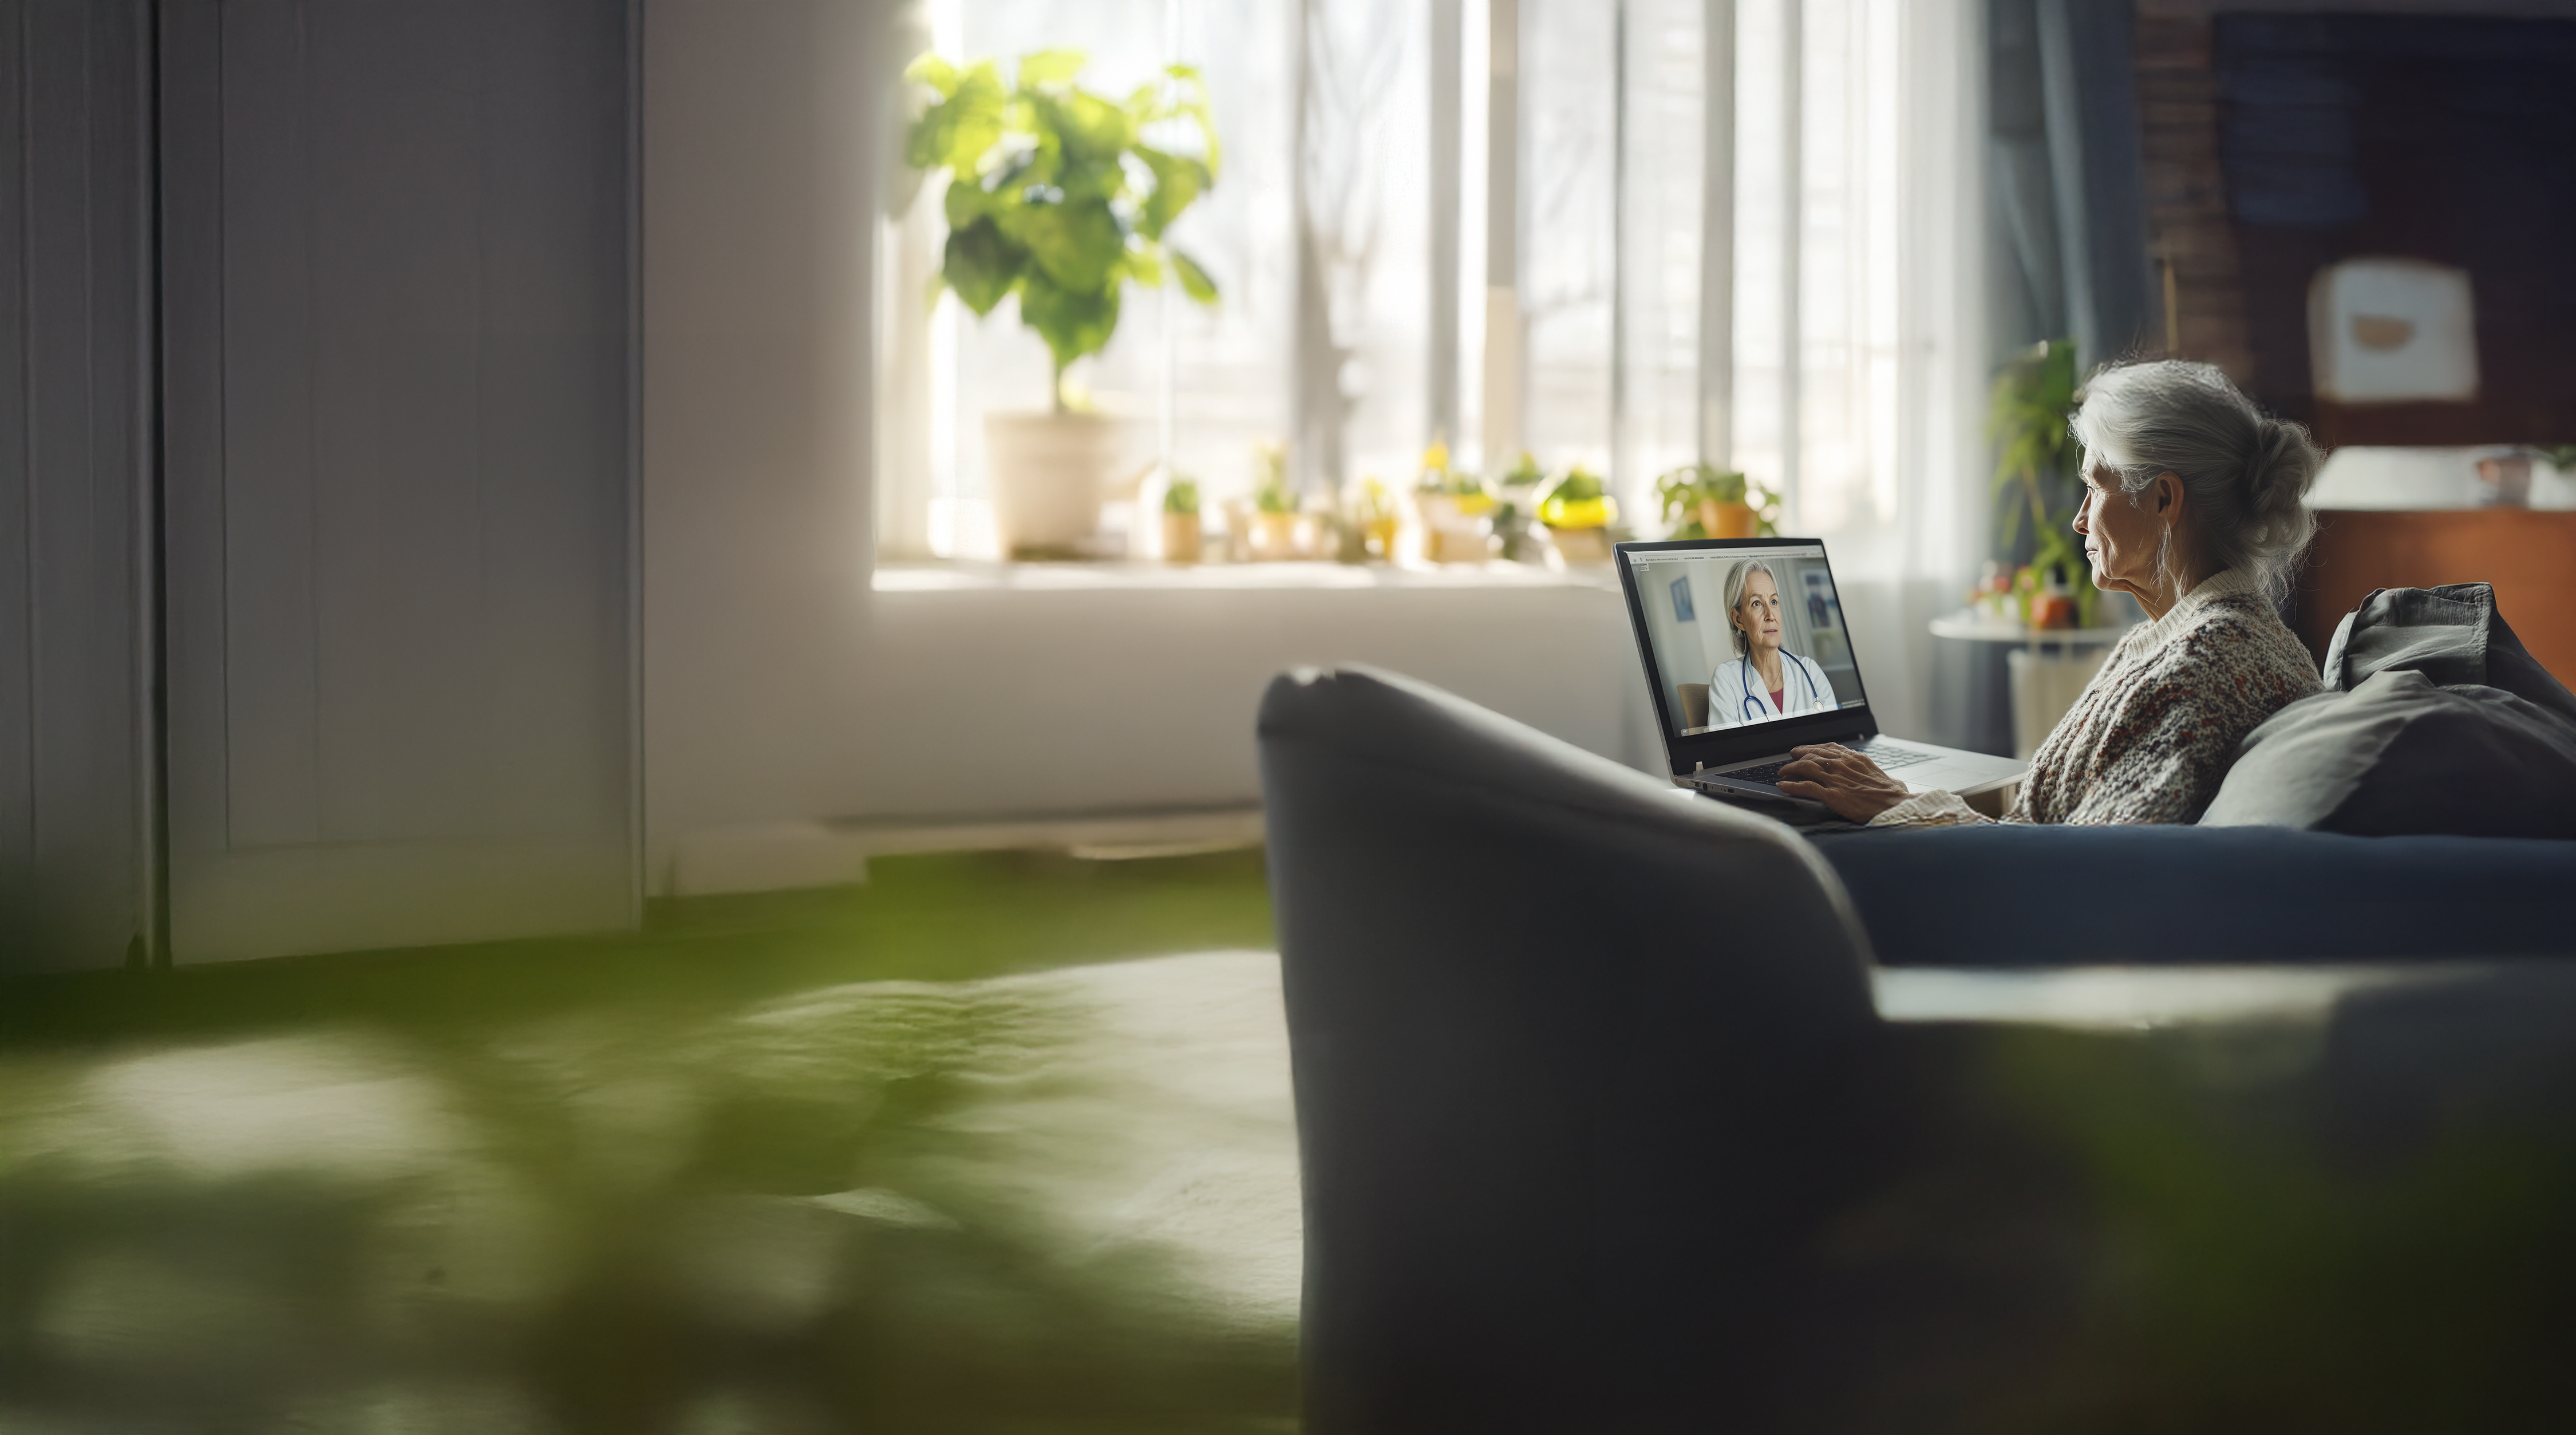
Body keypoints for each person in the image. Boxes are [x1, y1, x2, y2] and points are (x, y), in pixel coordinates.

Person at [1778, 359, 2323, 825]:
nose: (2081, 521)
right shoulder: (2223, 639)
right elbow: (2052, 836)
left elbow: (2077, 876)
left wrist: (1900, 806)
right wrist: (1910, 801)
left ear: (2163, 500)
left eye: (2095, 487)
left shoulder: (2200, 668)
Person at [1709, 560, 1838, 726]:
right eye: (1757, 603)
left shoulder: (1810, 671)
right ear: (1738, 619)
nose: (1771, 615)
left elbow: (1836, 740)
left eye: (1774, 602)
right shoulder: (1726, 680)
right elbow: (1723, 750)